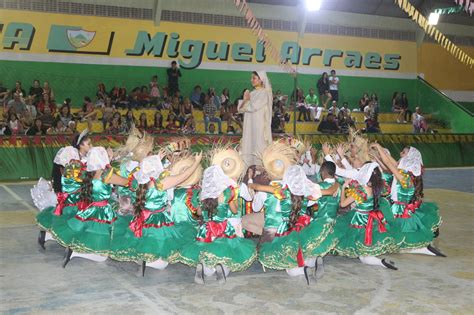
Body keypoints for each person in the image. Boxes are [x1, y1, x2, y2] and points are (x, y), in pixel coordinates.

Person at [110, 153, 203, 273]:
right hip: (158, 220)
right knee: (163, 260)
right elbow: (183, 176)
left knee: (144, 243)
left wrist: (156, 158)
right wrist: (196, 162)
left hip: (142, 219)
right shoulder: (161, 184)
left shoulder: (139, 182)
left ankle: (142, 258)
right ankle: (148, 261)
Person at [52, 147, 132, 267]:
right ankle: (75, 253)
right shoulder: (107, 175)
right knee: (102, 254)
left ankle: (76, 250)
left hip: (89, 209)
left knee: (91, 236)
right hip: (102, 212)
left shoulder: (89, 173)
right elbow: (127, 182)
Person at [180, 165, 257, 285]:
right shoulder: (226, 194)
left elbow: (199, 213)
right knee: (225, 254)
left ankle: (203, 267)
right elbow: (235, 210)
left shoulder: (200, 195)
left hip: (206, 230)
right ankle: (221, 266)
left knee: (206, 253)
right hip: (222, 229)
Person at [371, 144, 445, 257]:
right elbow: (390, 162)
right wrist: (378, 151)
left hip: (399, 211)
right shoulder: (408, 175)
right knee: (396, 238)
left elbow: (388, 163)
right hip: (398, 207)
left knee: (399, 239)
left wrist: (378, 146)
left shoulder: (404, 177)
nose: (400, 158)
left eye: (404, 156)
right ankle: (424, 248)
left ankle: (424, 249)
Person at [333, 162, 399, 270]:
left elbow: (343, 204)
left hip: (359, 221)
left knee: (362, 255)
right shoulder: (377, 187)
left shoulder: (360, 191)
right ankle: (378, 260)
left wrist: (343, 188)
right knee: (365, 248)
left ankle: (380, 262)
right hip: (370, 219)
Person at [238, 71, 273, 166]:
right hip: (249, 125)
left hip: (259, 126)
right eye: (251, 78)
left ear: (261, 79)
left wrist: (246, 101)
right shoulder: (252, 93)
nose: (251, 80)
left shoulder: (265, 93)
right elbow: (240, 109)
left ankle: (259, 171)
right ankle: (247, 169)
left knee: (258, 146)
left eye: (254, 78)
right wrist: (245, 100)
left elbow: (253, 107)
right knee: (248, 144)